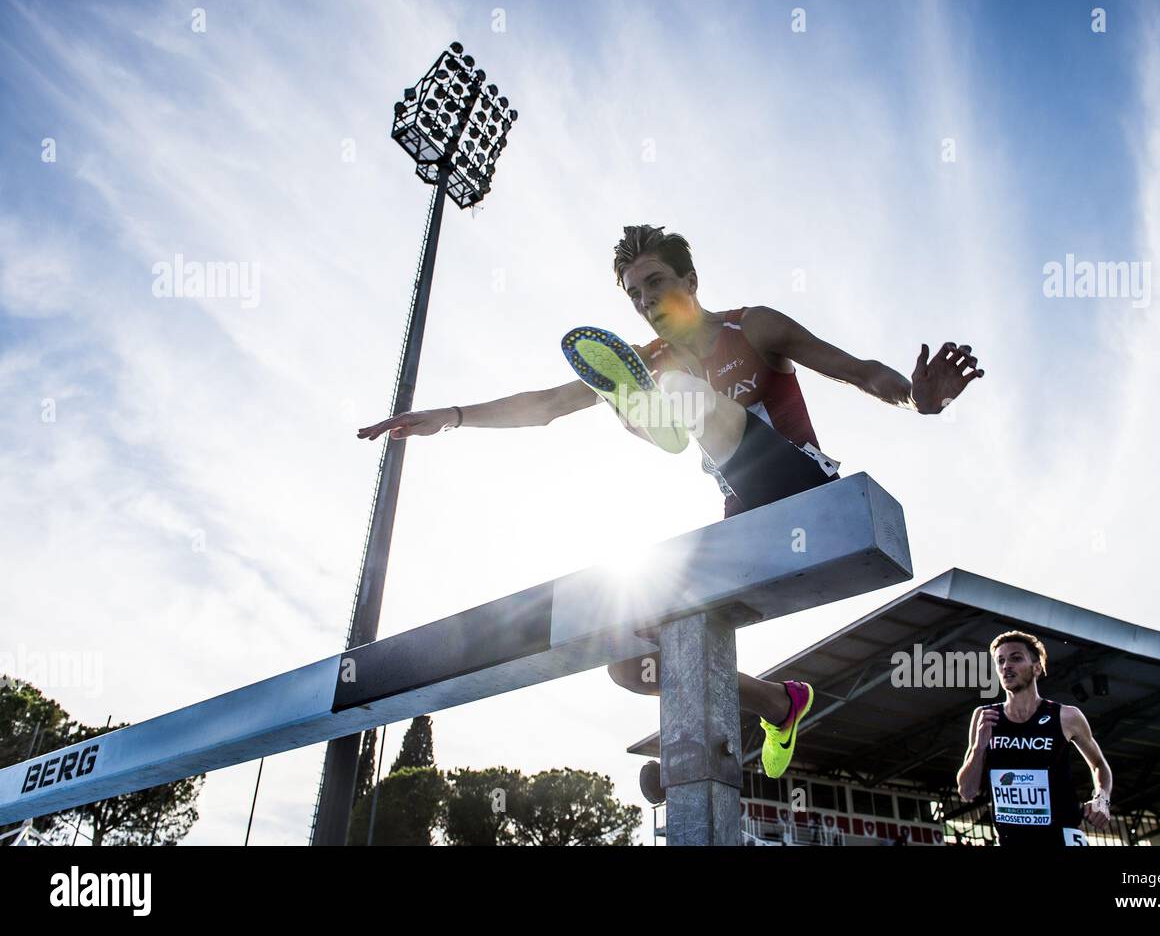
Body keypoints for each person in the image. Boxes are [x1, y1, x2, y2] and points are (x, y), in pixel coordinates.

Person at [359, 224, 984, 793]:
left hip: (803, 495)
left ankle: (656, 417)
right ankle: (778, 704)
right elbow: (547, 404)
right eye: (634, 296)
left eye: (655, 283)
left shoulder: (754, 326)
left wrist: (916, 398)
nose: (647, 302)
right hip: (743, 530)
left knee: (683, 392)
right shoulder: (647, 359)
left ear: (690, 281)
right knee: (630, 660)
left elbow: (859, 371)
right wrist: (452, 417)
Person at [956, 631, 1112, 846]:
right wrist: (978, 747)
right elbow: (967, 791)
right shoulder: (986, 717)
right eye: (1000, 661)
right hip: (1011, 841)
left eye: (1016, 658)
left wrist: (1101, 799)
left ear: (1036, 667)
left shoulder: (1066, 716)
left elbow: (1099, 764)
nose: (1006, 666)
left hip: (1061, 838)